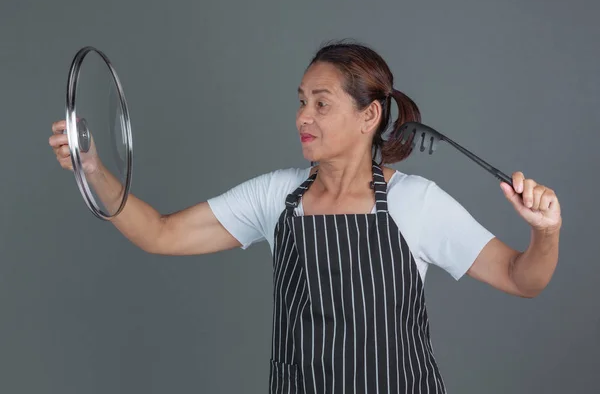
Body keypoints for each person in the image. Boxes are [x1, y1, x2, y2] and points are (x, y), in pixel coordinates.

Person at [48, 40, 562, 394]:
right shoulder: (276, 196)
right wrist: (93, 166)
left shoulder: (416, 202)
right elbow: (159, 234)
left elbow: (523, 279)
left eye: (321, 103)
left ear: (369, 116)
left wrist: (546, 232)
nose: (302, 116)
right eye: (300, 102)